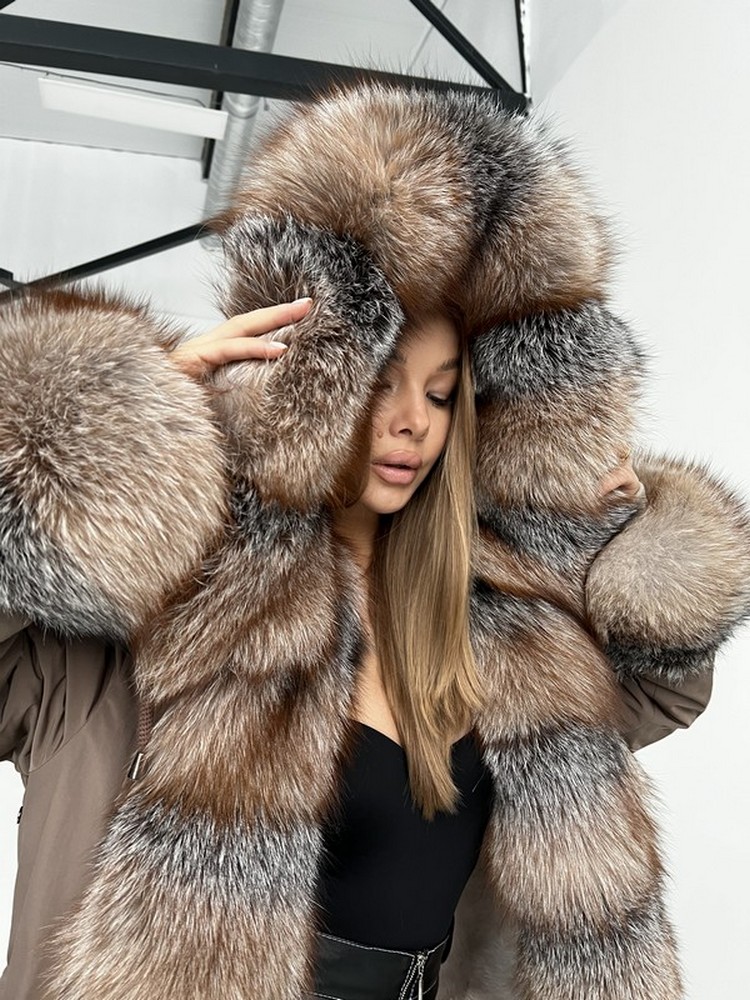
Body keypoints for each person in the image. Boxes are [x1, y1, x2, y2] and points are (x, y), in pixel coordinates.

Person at [1, 82, 747, 1000]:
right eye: (382, 380)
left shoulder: (498, 618)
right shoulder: (167, 604)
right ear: (305, 373)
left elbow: (665, 684)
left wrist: (620, 534)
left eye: (441, 394)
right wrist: (117, 415)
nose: (412, 423)